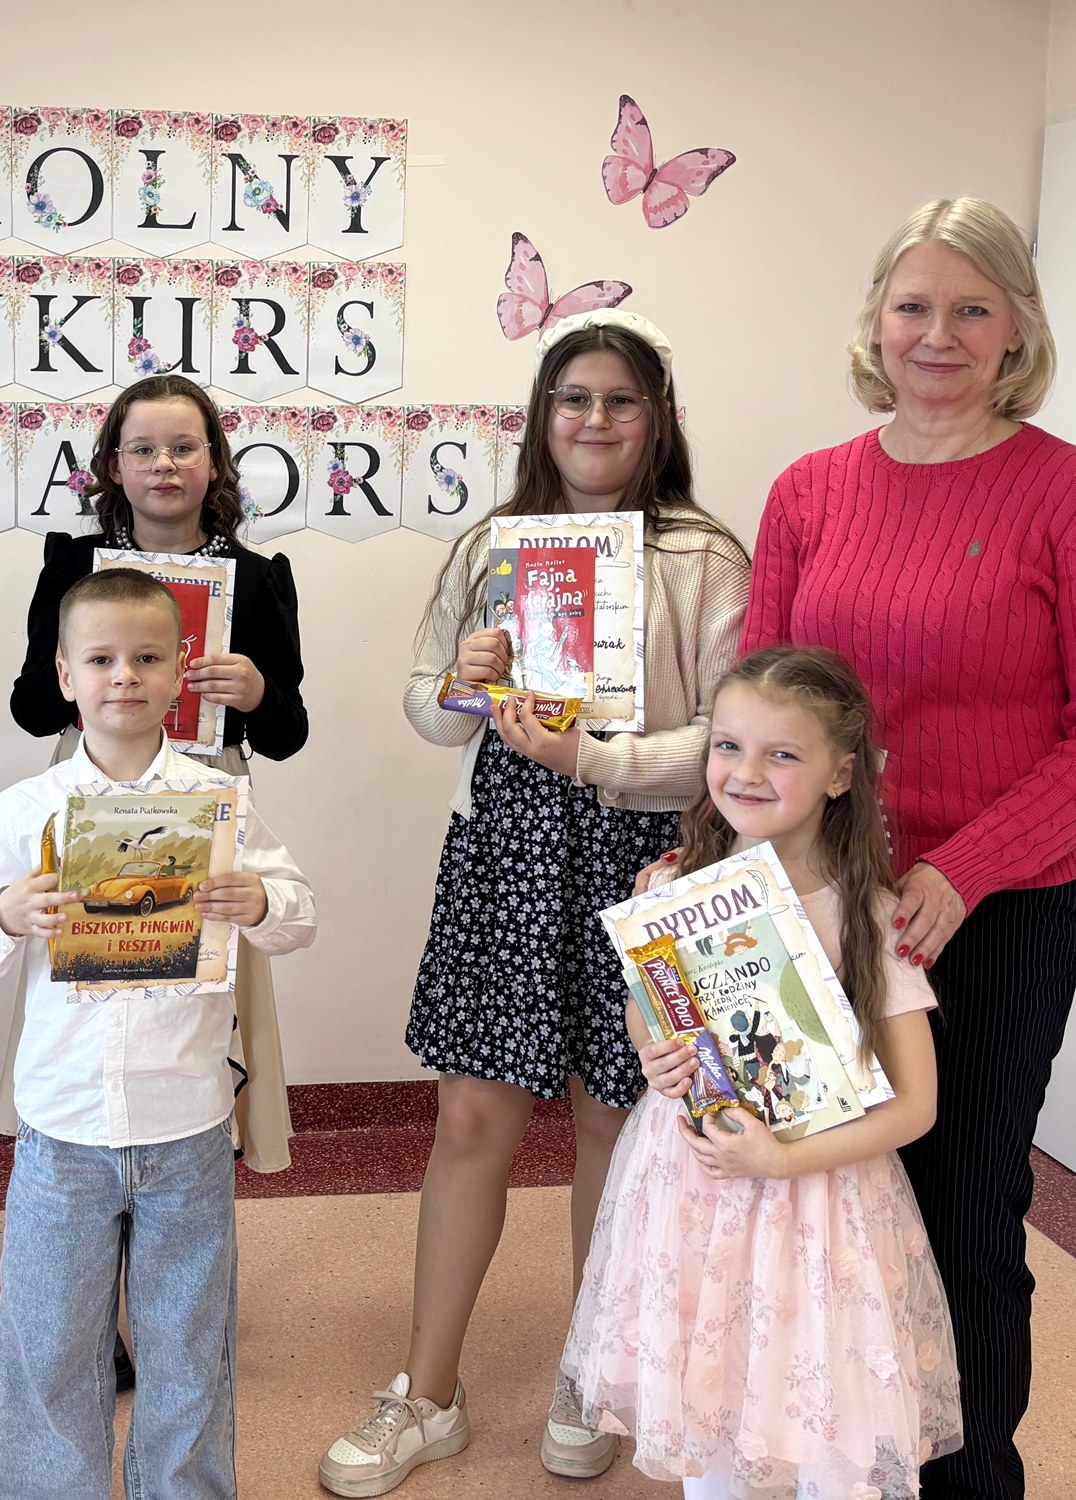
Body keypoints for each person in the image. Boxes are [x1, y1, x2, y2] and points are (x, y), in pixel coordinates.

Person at [743, 197, 1076, 1500]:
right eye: (913, 305)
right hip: (819, 903)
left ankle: (967, 1479)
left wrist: (960, 868)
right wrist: (725, 858)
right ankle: (843, 1467)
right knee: (817, 1208)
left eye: (972, 308)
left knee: (960, 1208)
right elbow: (756, 708)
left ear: (1017, 329)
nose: (939, 333)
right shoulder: (808, 491)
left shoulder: (1075, 498)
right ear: (875, 320)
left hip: (995, 914)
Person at [319, 309, 750, 1496]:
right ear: (540, 417)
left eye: (619, 399)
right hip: (506, 846)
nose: (593, 420)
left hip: (642, 852)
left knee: (614, 1121)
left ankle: (589, 1374)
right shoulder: (494, 544)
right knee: (470, 1120)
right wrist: (460, 685)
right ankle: (426, 1392)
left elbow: (728, 739)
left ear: (656, 419)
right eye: (572, 398)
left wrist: (597, 758)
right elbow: (424, 704)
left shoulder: (703, 557)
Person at [0, 568, 317, 1500]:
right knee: (49, 1343)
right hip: (61, 1129)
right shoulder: (28, 808)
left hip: (185, 1124)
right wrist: (6, 910)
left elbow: (299, 915)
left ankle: (184, 1488)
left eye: (148, 658)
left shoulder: (216, 802)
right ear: (64, 675)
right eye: (102, 659)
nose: (124, 677)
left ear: (181, 670)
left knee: (189, 1342)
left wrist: (259, 900)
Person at [562, 645, 961, 1499]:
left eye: (781, 753)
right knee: (707, 1403)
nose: (745, 773)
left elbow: (917, 1106)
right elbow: (648, 1009)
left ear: (840, 774)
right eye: (727, 746)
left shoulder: (871, 916)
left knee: (823, 1421)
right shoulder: (672, 884)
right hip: (693, 1186)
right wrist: (653, 1052)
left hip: (816, 1203)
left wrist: (781, 1159)